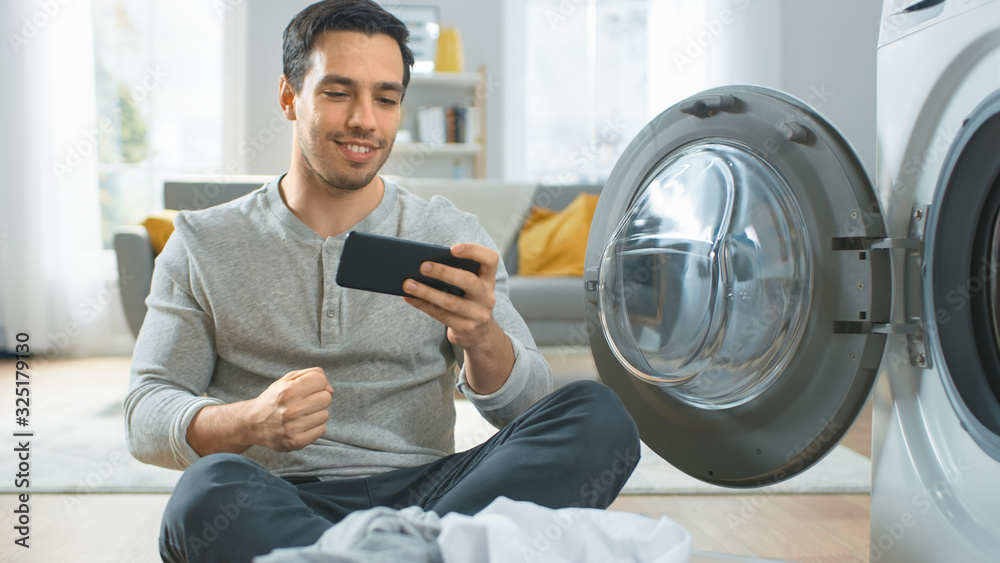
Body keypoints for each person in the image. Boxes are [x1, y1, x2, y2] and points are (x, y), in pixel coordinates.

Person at [123, 1, 640, 561]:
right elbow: (146, 413)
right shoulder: (203, 241)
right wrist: (250, 420)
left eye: (386, 98)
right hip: (280, 500)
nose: (365, 120)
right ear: (289, 96)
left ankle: (376, 551)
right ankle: (418, 553)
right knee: (204, 494)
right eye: (338, 93)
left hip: (435, 495)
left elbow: (530, 408)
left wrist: (481, 337)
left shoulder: (450, 233)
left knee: (598, 416)